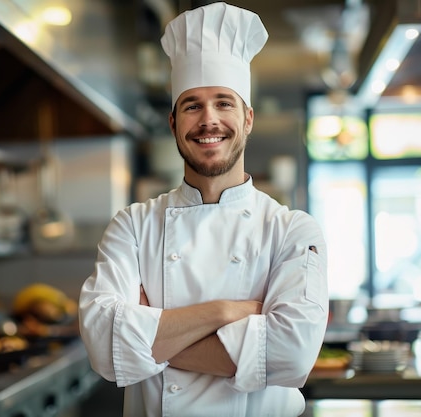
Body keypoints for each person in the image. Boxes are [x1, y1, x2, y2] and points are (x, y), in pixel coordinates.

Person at [78, 2, 329, 416]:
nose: (208, 120)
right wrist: (226, 312)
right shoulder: (133, 226)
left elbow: (293, 355)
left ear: (248, 118)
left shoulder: (292, 231)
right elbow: (105, 347)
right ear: (174, 123)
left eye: (223, 103)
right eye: (192, 105)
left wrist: (148, 333)